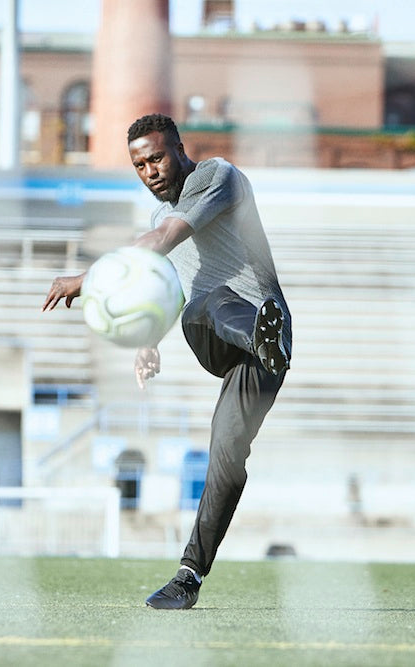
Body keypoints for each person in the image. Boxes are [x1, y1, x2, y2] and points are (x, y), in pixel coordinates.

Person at [43, 113, 291, 610]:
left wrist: (85, 279)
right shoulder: (159, 220)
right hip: (223, 338)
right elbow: (172, 286)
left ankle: (188, 577)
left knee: (227, 452)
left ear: (179, 148)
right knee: (202, 304)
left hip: (265, 332)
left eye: (156, 157)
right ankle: (259, 337)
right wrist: (147, 339)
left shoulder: (217, 177)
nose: (150, 171)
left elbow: (157, 248)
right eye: (139, 165)